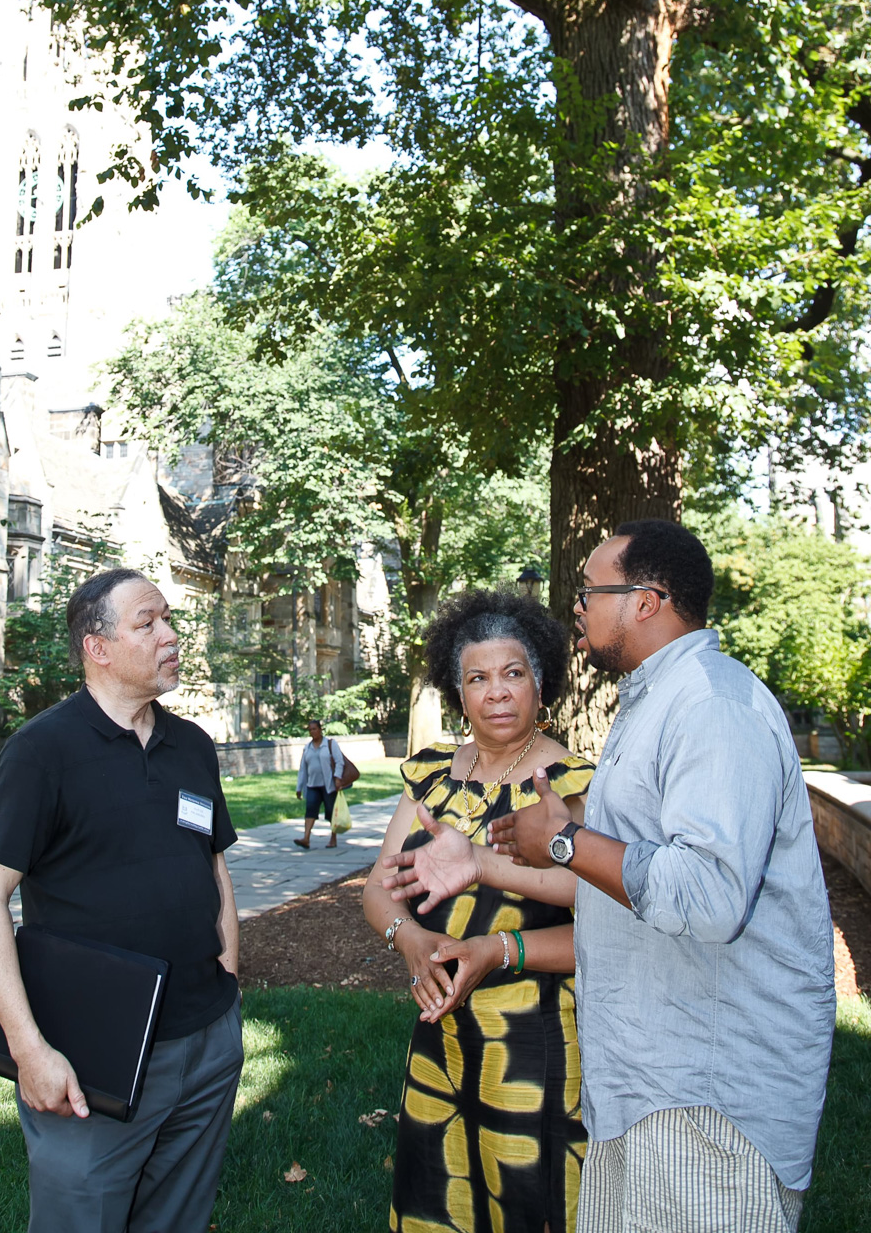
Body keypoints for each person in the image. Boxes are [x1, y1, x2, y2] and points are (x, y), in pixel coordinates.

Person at [390, 522, 836, 1233]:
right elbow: (625, 897)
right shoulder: (654, 703)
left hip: (706, 1098)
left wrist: (563, 842)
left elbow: (708, 896)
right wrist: (486, 908)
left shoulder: (713, 708)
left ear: (647, 601)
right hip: (644, 1081)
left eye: (592, 591)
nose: (578, 607)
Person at [0, 567, 244, 1233]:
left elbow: (213, 865)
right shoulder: (42, 751)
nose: (170, 635)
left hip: (207, 1042)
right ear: (99, 646)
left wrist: (228, 967)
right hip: (93, 1057)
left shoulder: (192, 747)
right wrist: (30, 1052)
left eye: (168, 619)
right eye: (148, 623)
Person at [365, 589, 596, 1233]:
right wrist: (410, 941)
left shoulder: (569, 785)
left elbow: (605, 916)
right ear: (457, 692)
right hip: (438, 1024)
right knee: (441, 1193)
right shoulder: (432, 774)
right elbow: (378, 887)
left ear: (540, 684)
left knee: (532, 1195)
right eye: (478, 678)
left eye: (513, 674)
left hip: (536, 1041)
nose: (497, 692)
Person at [294, 716, 345, 848]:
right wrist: (299, 787)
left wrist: (338, 778)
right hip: (312, 785)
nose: (312, 732)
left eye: (314, 729)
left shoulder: (330, 744)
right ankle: (306, 838)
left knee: (330, 812)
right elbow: (302, 769)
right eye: (310, 730)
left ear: (320, 730)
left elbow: (339, 762)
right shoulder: (307, 748)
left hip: (328, 786)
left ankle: (333, 838)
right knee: (310, 810)